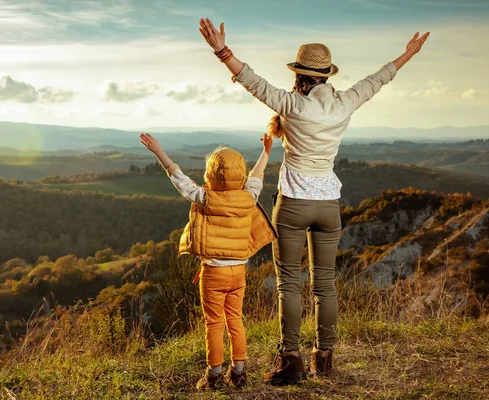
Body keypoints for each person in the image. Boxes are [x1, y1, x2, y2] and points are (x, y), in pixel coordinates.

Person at [199, 17, 430, 385]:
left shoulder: (293, 105)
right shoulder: (345, 104)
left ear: (300, 74)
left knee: (288, 283)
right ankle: (324, 356)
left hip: (292, 203)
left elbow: (252, 81)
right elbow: (377, 80)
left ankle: (290, 359)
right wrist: (405, 56)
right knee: (325, 283)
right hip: (328, 205)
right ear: (326, 75)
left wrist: (221, 51)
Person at [140, 132, 277, 390]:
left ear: (210, 173)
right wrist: (266, 151)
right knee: (235, 319)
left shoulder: (205, 198)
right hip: (239, 273)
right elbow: (257, 176)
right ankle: (238, 371)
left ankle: (214, 374)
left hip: (213, 274)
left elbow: (179, 179)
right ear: (241, 173)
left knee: (214, 323)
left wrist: (158, 151)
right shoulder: (249, 197)